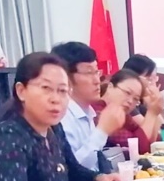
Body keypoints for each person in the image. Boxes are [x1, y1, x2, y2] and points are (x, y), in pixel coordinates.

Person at [0, 52, 121, 181]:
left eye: (62, 91)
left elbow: (72, 169)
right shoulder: (8, 134)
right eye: (46, 88)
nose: (55, 99)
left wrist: (99, 178)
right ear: (21, 91)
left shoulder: (54, 128)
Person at [53, 41, 126, 173]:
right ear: (66, 77)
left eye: (97, 72)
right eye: (89, 73)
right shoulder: (61, 116)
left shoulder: (88, 111)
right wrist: (102, 131)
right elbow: (73, 170)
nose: (97, 80)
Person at [122, 53, 164, 139]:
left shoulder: (142, 101)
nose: (154, 83)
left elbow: (163, 128)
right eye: (150, 79)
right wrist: (153, 110)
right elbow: (146, 136)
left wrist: (155, 108)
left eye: (155, 78)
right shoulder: (128, 102)